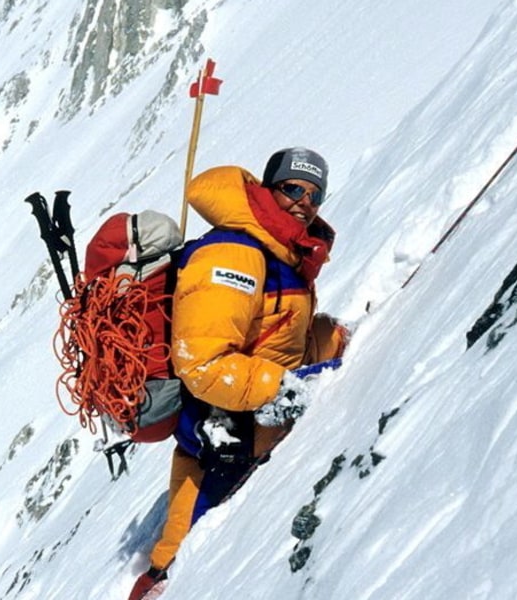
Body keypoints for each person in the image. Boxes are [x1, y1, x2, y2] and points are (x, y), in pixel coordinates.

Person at [129, 147, 348, 600]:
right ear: (269, 189)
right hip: (221, 436)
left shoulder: (283, 253)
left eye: (314, 195)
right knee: (177, 562)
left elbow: (276, 335)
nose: (304, 202)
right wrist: (278, 388)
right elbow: (200, 360)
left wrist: (331, 340)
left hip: (253, 416)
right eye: (292, 188)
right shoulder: (235, 254)